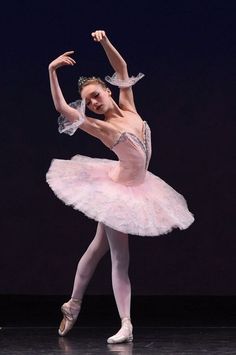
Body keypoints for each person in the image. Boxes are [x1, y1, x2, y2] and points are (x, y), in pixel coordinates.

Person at [47, 30, 194, 344]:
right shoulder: (101, 127)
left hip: (138, 187)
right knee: (119, 258)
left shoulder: (128, 106)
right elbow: (63, 109)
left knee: (97, 248)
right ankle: (126, 323)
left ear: (107, 89)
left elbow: (123, 68)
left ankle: (72, 305)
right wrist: (51, 70)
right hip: (118, 195)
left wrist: (104, 42)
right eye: (88, 102)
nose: (94, 103)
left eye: (96, 95)